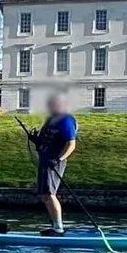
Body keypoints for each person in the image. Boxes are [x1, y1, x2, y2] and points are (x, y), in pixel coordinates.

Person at [28, 93, 79, 236]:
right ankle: (54, 225)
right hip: (45, 160)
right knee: (45, 195)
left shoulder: (66, 120)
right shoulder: (51, 120)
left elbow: (71, 144)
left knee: (50, 194)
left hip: (54, 162)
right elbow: (45, 140)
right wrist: (36, 140)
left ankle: (58, 228)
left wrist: (60, 158)